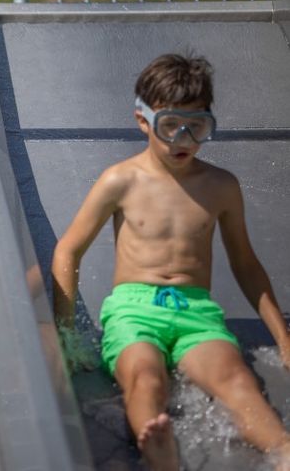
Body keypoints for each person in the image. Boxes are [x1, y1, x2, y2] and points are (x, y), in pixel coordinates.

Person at [51, 54, 290, 470]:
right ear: (143, 121)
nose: (183, 139)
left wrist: (284, 339)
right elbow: (68, 249)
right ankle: (158, 451)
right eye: (170, 126)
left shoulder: (220, 186)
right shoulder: (120, 180)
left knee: (236, 380)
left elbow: (246, 264)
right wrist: (66, 334)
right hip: (134, 309)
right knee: (145, 377)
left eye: (197, 127)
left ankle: (282, 449)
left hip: (197, 312)